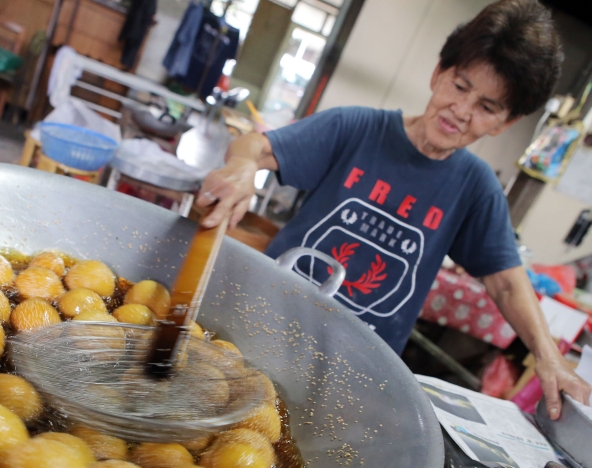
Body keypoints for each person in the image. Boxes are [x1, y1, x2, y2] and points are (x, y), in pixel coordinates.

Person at [196, 0, 591, 418]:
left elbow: (508, 283)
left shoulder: (475, 188)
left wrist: (549, 356)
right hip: (265, 322)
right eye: (460, 86)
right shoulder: (356, 128)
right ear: (439, 72)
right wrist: (241, 167)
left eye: (487, 107)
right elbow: (256, 146)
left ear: (504, 123)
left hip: (355, 369)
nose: (461, 111)